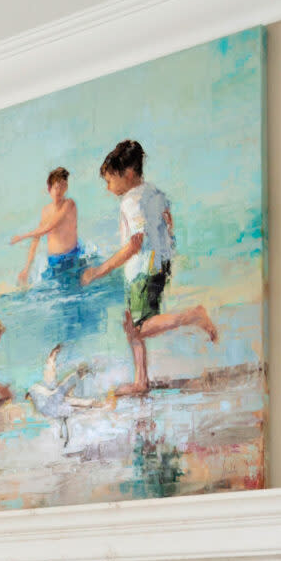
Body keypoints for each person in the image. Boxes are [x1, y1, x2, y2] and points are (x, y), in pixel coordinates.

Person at [81, 139, 217, 394]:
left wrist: (99, 271)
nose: (108, 188)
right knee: (131, 322)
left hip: (143, 268)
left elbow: (134, 243)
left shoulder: (130, 201)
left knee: (141, 326)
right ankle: (140, 380)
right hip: (159, 263)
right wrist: (165, 254)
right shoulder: (155, 192)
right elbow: (168, 220)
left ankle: (192, 315)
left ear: (128, 174)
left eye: (110, 180)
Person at [10, 167, 81, 286]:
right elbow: (36, 239)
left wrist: (22, 237)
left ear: (66, 187)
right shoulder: (46, 211)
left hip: (72, 258)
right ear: (49, 189)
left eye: (63, 186)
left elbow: (49, 226)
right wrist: (27, 269)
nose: (60, 191)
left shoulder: (69, 204)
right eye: (56, 187)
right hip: (54, 261)